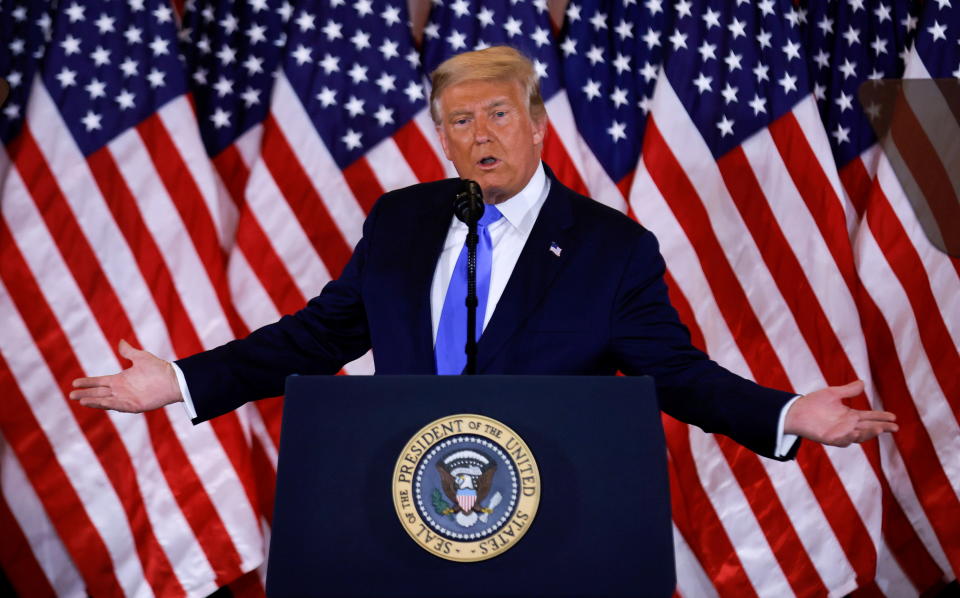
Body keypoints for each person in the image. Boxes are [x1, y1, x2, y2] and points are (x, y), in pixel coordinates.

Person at [70, 46, 897, 459]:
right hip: (405, 496)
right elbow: (315, 337)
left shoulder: (612, 247)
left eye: (499, 114)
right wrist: (177, 382)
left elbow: (673, 373)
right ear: (442, 140)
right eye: (459, 123)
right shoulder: (400, 222)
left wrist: (788, 413)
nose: (481, 135)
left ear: (538, 124)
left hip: (547, 505)